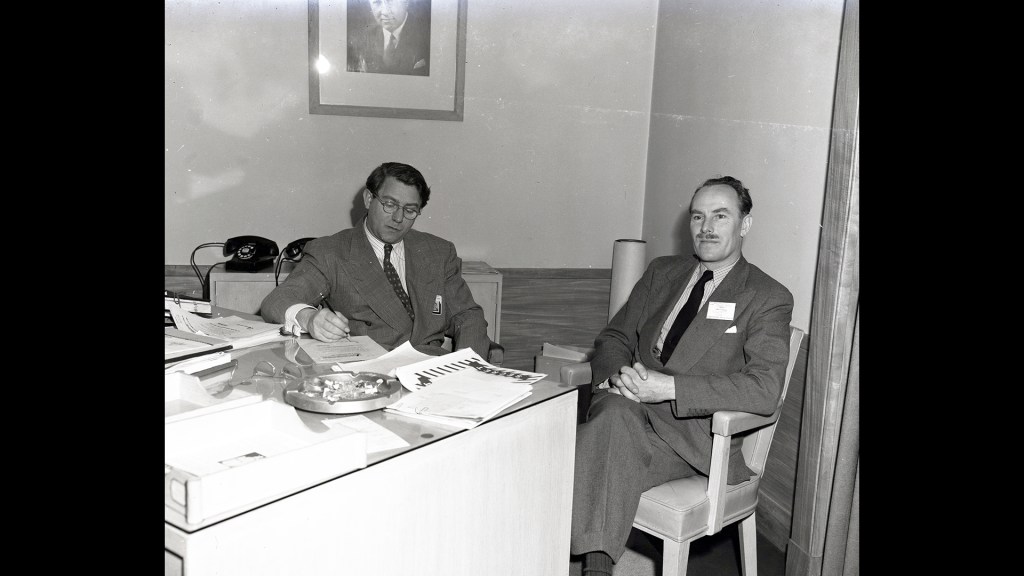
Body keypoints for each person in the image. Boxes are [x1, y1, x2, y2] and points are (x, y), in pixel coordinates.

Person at [571, 176, 794, 575]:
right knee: (611, 421)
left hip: (688, 438)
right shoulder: (662, 272)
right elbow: (615, 336)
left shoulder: (766, 296)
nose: (706, 227)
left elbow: (764, 389)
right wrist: (619, 377)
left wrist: (668, 388)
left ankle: (588, 563)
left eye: (720, 216)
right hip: (625, 408)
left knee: (576, 456)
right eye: (697, 216)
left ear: (744, 224)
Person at [260, 162, 490, 358]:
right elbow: (276, 301)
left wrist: (468, 368)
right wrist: (309, 318)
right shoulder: (331, 252)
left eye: (410, 210)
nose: (398, 218)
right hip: (367, 371)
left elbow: (467, 315)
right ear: (369, 199)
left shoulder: (438, 252)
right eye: (389, 205)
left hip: (431, 370)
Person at [347, 0, 430, 76]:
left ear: (406, 2)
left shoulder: (428, 36)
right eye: (377, 2)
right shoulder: (359, 40)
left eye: (391, 1)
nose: (385, 12)